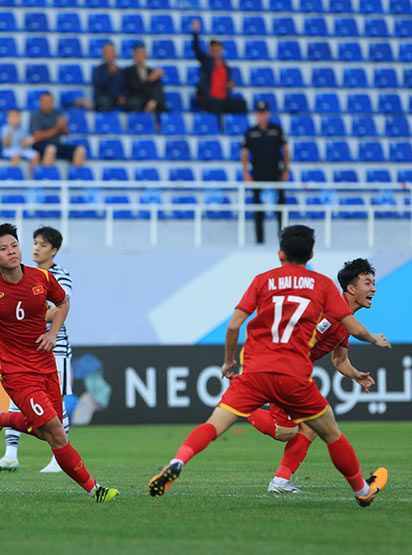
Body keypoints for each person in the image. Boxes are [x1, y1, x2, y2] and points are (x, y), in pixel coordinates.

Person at [149, 225, 391, 508]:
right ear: (311, 253)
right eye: (368, 283)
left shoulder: (263, 281)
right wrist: (373, 339)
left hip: (255, 368)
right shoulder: (322, 287)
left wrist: (228, 361)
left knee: (215, 425)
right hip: (292, 373)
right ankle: (361, 490)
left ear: (280, 254)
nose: (373, 288)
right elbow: (347, 325)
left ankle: (178, 462)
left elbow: (235, 325)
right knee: (325, 431)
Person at [0, 223, 118, 503]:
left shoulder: (41, 278)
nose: (11, 252)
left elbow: (63, 304)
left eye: (14, 245)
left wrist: (52, 333)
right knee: (57, 434)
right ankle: (94, 489)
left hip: (47, 367)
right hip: (17, 373)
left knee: (48, 433)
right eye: (3, 249)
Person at [249, 258, 377, 494]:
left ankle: (280, 482)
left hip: (290, 370)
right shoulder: (330, 314)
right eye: (367, 283)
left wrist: (355, 374)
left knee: (312, 426)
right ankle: (241, 406)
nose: (373, 289)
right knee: (285, 432)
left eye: (373, 283)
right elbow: (299, 341)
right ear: (351, 288)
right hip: (283, 367)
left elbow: (340, 360)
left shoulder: (346, 322)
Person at [0, 226, 73, 473]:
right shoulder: (24, 274)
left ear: (54, 251)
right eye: (35, 243)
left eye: (43, 245)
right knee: (19, 400)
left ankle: (59, 456)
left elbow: (60, 308)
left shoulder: (58, 275)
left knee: (57, 406)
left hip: (54, 348)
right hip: (24, 350)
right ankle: (10, 454)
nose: (37, 248)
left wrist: (26, 317)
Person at [241, 100, 291, 245]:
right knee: (258, 210)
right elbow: (244, 154)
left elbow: (286, 151)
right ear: (256, 114)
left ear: (268, 113)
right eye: (259, 113)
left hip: (276, 175)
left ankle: (284, 242)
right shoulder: (251, 132)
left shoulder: (277, 130)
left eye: (264, 113)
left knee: (280, 209)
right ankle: (259, 241)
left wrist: (286, 170)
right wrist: (246, 173)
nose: (262, 116)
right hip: (258, 176)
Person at [191, 19, 247, 123]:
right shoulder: (206, 62)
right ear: (210, 51)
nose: (215, 51)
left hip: (223, 99)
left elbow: (227, 85)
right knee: (217, 104)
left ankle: (240, 127)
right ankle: (220, 129)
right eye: (213, 49)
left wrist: (229, 86)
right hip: (208, 99)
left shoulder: (226, 67)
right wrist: (195, 32)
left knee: (241, 104)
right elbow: (196, 48)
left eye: (217, 48)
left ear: (221, 50)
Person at [30, 92, 86, 168]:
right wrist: (57, 128)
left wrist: (63, 126)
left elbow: (66, 133)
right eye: (45, 102)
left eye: (49, 101)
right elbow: (38, 136)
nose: (47, 104)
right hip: (40, 145)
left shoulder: (58, 114)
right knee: (51, 149)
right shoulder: (35, 115)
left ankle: (76, 177)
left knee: (80, 150)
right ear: (40, 103)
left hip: (57, 144)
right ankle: (48, 177)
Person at [122, 43, 167, 119]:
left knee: (161, 106)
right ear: (134, 55)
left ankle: (159, 128)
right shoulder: (128, 71)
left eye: (143, 54)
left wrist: (154, 100)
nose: (141, 56)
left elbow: (157, 88)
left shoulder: (151, 71)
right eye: (138, 54)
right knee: (135, 104)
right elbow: (134, 88)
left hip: (149, 100)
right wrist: (149, 79)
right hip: (136, 100)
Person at [0, 109, 39, 177]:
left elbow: (23, 146)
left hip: (21, 149)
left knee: (35, 155)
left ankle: (33, 179)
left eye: (16, 117)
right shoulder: (5, 129)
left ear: (20, 119)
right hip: (9, 150)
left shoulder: (23, 130)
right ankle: (13, 177)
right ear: (8, 119)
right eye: (12, 117)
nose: (14, 119)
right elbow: (6, 144)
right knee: (16, 155)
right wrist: (11, 132)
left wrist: (26, 142)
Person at [92, 42, 126, 112]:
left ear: (115, 55)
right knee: (105, 103)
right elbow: (99, 86)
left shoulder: (120, 70)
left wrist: (123, 96)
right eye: (107, 53)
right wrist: (109, 74)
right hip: (103, 99)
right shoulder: (97, 70)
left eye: (111, 52)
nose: (109, 55)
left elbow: (125, 87)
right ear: (103, 55)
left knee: (132, 103)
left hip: (116, 99)